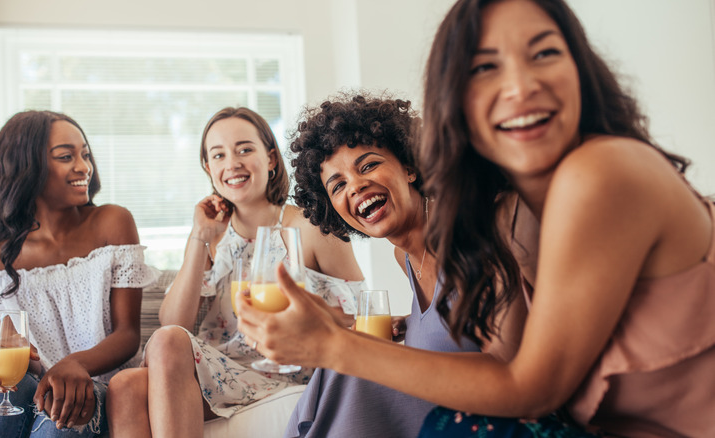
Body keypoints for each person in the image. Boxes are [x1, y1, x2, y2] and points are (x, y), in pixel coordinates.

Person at [236, 0, 715, 436]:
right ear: (457, 103)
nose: (520, 86)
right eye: (485, 67)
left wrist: (334, 345)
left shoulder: (596, 173)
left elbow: (529, 387)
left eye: (544, 53)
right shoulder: (512, 209)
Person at [106, 107, 365, 438]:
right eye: (219, 155)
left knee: (166, 344)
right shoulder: (212, 233)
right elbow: (175, 321)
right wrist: (199, 237)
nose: (232, 163)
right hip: (223, 370)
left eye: (245, 149)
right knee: (124, 385)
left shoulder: (309, 227)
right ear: (208, 167)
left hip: (287, 368)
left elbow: (357, 316)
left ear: (271, 158)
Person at [283, 93, 493, 438]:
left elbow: (513, 370)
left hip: (473, 419)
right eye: (338, 186)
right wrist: (410, 323)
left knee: (348, 363)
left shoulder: (465, 235)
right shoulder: (405, 257)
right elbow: (460, 320)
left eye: (367, 166)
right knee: (343, 359)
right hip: (435, 409)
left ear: (409, 167)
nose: (356, 185)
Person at [0, 110, 158, 438]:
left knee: (60, 420)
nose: (84, 167)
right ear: (27, 167)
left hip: (98, 382)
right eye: (66, 156)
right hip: (34, 383)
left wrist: (76, 364)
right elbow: (17, 349)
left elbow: (127, 335)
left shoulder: (112, 222)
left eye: (85, 154)